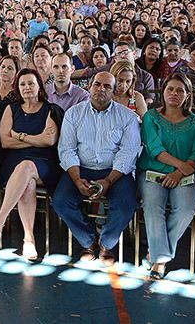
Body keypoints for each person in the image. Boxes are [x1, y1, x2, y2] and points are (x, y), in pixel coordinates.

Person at [52, 72, 141, 266]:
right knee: (60, 201)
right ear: (89, 87)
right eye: (97, 84)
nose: (101, 89)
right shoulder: (74, 113)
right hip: (81, 169)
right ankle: (88, 239)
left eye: (107, 86)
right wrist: (76, 179)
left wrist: (109, 180)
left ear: (114, 90)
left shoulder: (127, 117)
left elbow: (128, 152)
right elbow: (67, 149)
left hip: (115, 171)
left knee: (127, 204)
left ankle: (107, 243)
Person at [0, 69, 62, 261]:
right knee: (27, 181)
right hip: (12, 161)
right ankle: (29, 239)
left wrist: (19, 136)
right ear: (18, 88)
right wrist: (35, 139)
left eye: (31, 83)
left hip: (44, 162)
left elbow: (49, 141)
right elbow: (5, 142)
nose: (27, 88)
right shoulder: (12, 109)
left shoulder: (50, 109)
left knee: (27, 166)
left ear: (39, 86)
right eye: (23, 84)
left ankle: (0, 219)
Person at [138, 73, 195, 279]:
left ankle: (158, 255)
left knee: (185, 210)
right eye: (170, 89)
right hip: (153, 172)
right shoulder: (151, 117)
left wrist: (178, 173)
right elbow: (155, 149)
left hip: (185, 176)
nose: (174, 93)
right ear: (162, 92)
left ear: (188, 95)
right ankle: (161, 259)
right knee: (153, 207)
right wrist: (180, 167)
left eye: (180, 90)